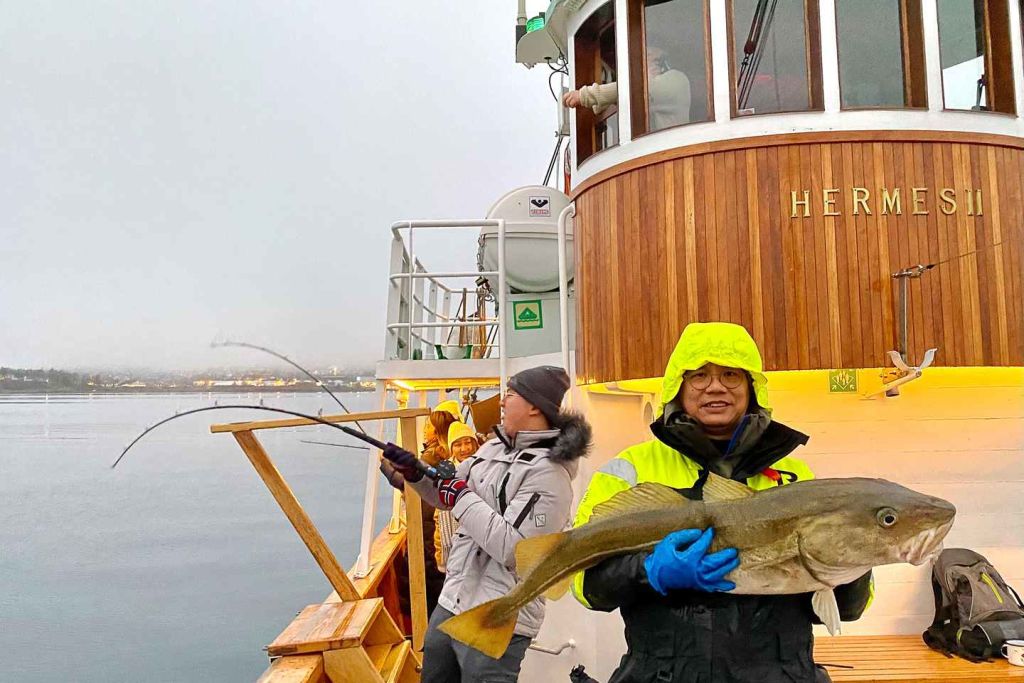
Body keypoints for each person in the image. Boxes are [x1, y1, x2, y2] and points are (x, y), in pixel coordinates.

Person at [571, 322, 873, 683]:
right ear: (678, 387)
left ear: (752, 387)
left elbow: (847, 608)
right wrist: (647, 570)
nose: (715, 386)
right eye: (699, 375)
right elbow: (585, 586)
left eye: (731, 374)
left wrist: (857, 554)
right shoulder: (630, 470)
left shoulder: (794, 475)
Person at [381, 366, 592, 682]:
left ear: (534, 407)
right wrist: (415, 474)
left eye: (510, 394)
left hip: (499, 617)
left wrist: (461, 495)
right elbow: (447, 494)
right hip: (453, 600)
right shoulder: (494, 447)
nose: (502, 402)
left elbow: (516, 551)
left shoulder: (551, 475)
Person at [380, 399, 462, 617]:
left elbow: (410, 488)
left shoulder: (431, 458)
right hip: (444, 539)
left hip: (430, 536)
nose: (425, 429)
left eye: (428, 426)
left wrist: (386, 465)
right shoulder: (451, 457)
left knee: (431, 597)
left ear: (437, 430)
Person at [563, 46, 691, 131]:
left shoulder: (676, 80)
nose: (643, 60)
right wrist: (597, 102)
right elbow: (605, 103)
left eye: (648, 55)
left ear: (662, 62)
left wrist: (584, 95)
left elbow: (638, 89)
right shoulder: (652, 92)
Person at [433, 421, 480, 573]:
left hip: (482, 542)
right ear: (451, 448)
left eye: (468, 442)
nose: (464, 449)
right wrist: (440, 554)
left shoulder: (486, 468)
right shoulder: (444, 475)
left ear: (475, 443)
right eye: (458, 445)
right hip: (454, 546)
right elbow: (439, 518)